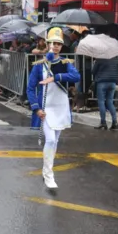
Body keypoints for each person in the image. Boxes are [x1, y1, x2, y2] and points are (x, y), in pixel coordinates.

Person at [26, 28, 80, 190]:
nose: (55, 47)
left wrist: (56, 77)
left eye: (58, 44)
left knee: (55, 141)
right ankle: (49, 174)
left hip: (61, 107)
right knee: (49, 140)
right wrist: (36, 108)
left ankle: (46, 170)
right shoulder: (39, 66)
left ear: (61, 47)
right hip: (46, 109)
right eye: (52, 44)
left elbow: (76, 77)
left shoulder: (65, 63)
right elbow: (30, 88)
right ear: (47, 45)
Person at [92, 57, 118, 130]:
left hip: (102, 82)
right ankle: (115, 122)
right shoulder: (115, 59)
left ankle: (103, 123)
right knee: (110, 102)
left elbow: (93, 71)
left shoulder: (99, 59)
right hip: (112, 82)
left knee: (101, 102)